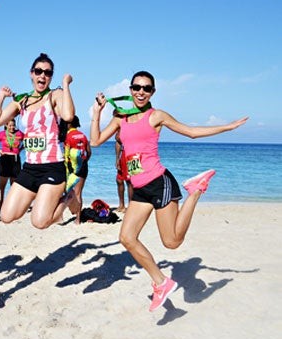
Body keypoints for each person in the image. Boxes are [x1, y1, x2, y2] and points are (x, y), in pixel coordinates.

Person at [90, 70, 248, 312]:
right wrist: (97, 113)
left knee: (172, 242)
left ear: (152, 92)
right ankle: (161, 282)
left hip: (159, 183)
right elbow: (95, 141)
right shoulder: (121, 116)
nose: (141, 92)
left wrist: (228, 127)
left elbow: (191, 132)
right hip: (139, 188)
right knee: (127, 238)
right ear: (130, 90)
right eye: (137, 87)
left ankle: (195, 191)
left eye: (146, 88)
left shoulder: (156, 116)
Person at [0, 53, 79, 229]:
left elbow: (68, 115)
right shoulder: (22, 101)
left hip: (52, 166)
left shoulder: (55, 95)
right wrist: (1, 96)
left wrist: (66, 85)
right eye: (38, 71)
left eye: (48, 72)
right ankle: (46, 197)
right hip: (30, 168)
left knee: (39, 222)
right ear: (31, 73)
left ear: (51, 76)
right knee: (6, 216)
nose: (42, 75)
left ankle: (68, 198)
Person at [0, 118, 24, 213]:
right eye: (10, 126)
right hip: (4, 159)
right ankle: (1, 207)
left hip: (15, 160)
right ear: (6, 125)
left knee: (14, 186)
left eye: (13, 125)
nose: (12, 127)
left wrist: (20, 149)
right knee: (2, 185)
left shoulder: (19, 133)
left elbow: (27, 140)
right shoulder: (2, 134)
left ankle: (12, 207)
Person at [63, 115, 92, 208]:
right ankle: (78, 216)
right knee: (78, 193)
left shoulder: (67, 136)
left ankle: (61, 213)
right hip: (83, 165)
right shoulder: (83, 136)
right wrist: (84, 162)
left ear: (69, 124)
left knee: (66, 192)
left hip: (71, 166)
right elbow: (89, 152)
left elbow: (65, 154)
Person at [114, 130, 132, 213]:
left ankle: (131, 206)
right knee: (119, 180)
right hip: (123, 155)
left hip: (132, 155)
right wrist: (117, 159)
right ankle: (121, 205)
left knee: (130, 182)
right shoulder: (120, 126)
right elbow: (118, 141)